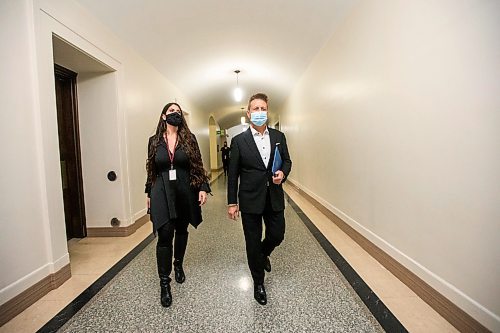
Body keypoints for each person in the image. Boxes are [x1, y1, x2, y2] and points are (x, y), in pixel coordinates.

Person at [227, 93, 292, 305]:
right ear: (248, 113)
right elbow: (233, 174)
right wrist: (231, 202)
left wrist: (282, 173)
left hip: (273, 197)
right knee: (252, 243)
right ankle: (258, 283)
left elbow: (287, 162)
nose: (259, 112)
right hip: (250, 199)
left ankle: (263, 254)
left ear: (267, 111)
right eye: (255, 109)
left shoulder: (278, 137)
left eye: (262, 108)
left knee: (277, 235)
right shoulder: (238, 141)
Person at [145, 102, 211, 308]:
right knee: (165, 233)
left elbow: (197, 165)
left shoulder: (189, 139)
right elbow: (151, 168)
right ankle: (165, 283)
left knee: (181, 229)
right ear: (164, 116)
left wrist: (202, 187)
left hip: (184, 189)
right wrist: (148, 192)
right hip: (161, 190)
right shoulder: (154, 141)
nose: (176, 114)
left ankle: (178, 264)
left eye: (179, 112)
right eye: (172, 111)